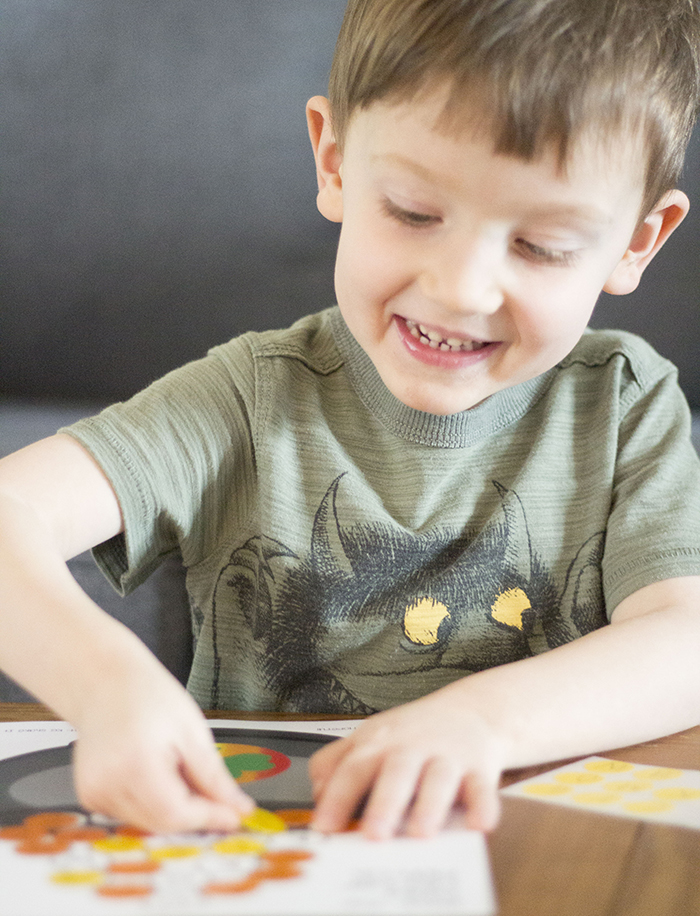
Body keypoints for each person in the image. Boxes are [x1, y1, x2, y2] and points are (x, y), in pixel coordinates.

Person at [1, 0, 700, 841]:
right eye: (412, 211)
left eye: (542, 247)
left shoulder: (623, 402)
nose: (461, 290)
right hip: (281, 855)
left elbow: (686, 641)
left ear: (637, 240)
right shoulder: (247, 398)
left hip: (540, 860)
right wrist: (107, 686)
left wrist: (482, 724)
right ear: (334, 162)